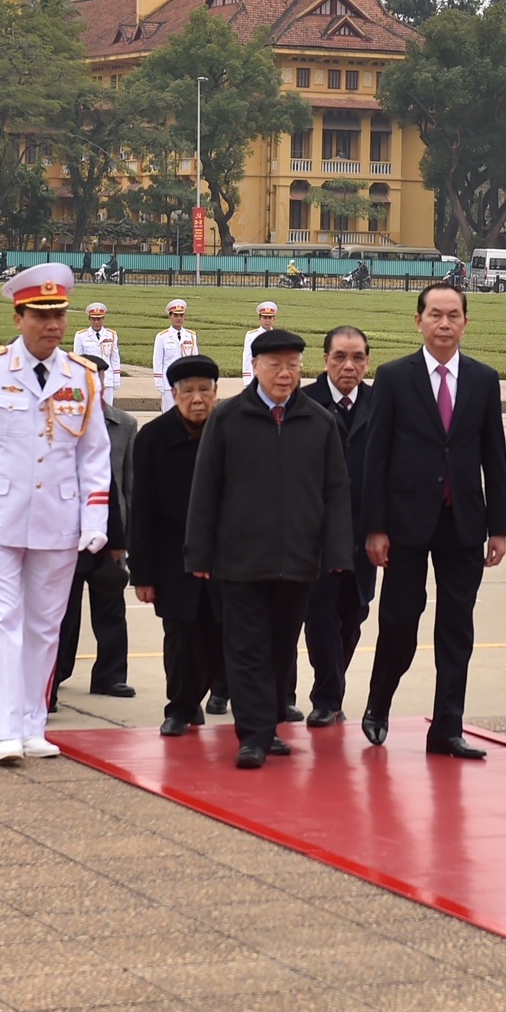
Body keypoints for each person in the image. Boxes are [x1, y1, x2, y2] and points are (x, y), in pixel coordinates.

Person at [0, 264, 110, 766]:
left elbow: (93, 454)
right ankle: (5, 730)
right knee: (0, 622)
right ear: (18, 317)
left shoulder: (80, 376)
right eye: (40, 315)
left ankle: (35, 725)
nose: (52, 325)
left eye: (58, 314)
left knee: (45, 626)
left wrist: (95, 519)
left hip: (57, 519)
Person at [186, 330, 352, 769]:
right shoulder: (228, 419)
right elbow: (206, 490)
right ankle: (253, 736)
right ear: (255, 366)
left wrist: (336, 553)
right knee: (245, 648)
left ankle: (270, 725)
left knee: (281, 648)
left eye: (293, 365)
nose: (285, 373)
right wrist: (199, 554)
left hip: (298, 561)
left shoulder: (318, 422)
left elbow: (335, 492)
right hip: (239, 560)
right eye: (275, 365)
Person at [360, 282, 506, 758]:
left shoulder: (484, 380)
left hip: (463, 520)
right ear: (419, 321)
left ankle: (447, 726)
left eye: (453, 315)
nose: (444, 323)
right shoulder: (393, 377)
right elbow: (375, 458)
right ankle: (378, 704)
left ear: (466, 321)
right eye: (435, 315)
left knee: (456, 627)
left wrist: (499, 527)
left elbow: (495, 455)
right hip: (405, 521)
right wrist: (375, 526)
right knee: (401, 621)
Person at [129, 355, 228, 735]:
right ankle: (181, 707)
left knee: (221, 637)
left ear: (217, 393)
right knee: (182, 637)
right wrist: (143, 573)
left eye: (205, 390)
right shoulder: (152, 438)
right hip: (174, 559)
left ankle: (202, 694)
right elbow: (142, 512)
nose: (198, 398)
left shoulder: (229, 432)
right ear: (174, 394)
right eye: (188, 391)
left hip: (226, 558)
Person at [299, 325, 378, 727]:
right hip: (315, 533)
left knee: (355, 613)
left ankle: (333, 682)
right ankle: (326, 697)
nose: (349, 366)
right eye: (340, 358)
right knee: (320, 613)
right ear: (324, 360)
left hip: (365, 533)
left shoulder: (381, 403)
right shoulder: (303, 402)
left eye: (358, 358)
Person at [50, 353, 136, 707]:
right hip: (63, 535)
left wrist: (123, 539)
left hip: (107, 533)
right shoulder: (57, 420)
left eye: (98, 378)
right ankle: (55, 676)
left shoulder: (124, 425)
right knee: (61, 614)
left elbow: (126, 485)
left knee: (111, 608)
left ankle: (111, 676)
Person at [152, 300, 199, 412]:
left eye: (181, 315)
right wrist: (159, 382)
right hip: (169, 382)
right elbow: (158, 360)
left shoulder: (191, 336)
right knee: (168, 413)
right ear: (170, 317)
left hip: (186, 382)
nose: (179, 318)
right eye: (176, 315)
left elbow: (195, 359)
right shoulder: (162, 337)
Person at [73, 304, 121, 407]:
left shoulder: (111, 335)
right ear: (89, 319)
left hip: (107, 379)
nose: (96, 322)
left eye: (99, 319)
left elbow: (115, 358)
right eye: (93, 319)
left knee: (108, 411)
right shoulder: (81, 336)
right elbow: (78, 359)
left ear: (103, 319)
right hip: (89, 379)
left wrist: (116, 378)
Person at [241, 301, 278, 377]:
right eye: (264, 317)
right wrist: (248, 379)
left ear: (274, 319)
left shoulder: (279, 336)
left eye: (270, 317)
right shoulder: (251, 335)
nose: (267, 320)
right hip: (257, 376)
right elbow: (248, 357)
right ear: (259, 318)